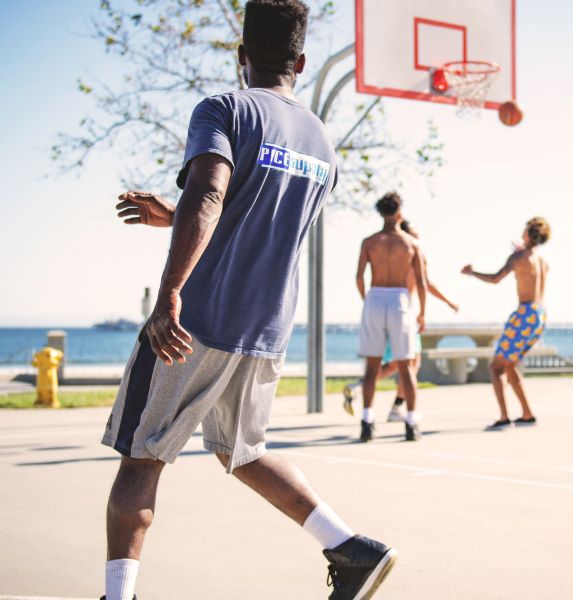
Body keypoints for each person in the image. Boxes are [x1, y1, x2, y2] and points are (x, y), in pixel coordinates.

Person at [101, 3, 396, 599]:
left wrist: (169, 294)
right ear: (303, 61)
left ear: (242, 56)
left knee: (140, 459)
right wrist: (174, 215)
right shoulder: (323, 142)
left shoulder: (224, 108)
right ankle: (350, 547)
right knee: (245, 453)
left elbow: (210, 195)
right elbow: (258, 218)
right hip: (265, 328)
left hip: (199, 318)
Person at [343, 218, 459, 421]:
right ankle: (381, 401)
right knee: (406, 365)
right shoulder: (410, 253)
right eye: (415, 233)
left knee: (401, 364)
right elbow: (426, 284)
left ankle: (378, 401)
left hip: (391, 311)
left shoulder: (392, 251)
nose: (417, 237)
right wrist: (445, 304)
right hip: (403, 315)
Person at [461, 217, 551, 430]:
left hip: (524, 313)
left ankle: (503, 417)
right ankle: (527, 414)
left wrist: (472, 272)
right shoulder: (542, 261)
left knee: (496, 368)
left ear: (528, 234)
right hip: (539, 315)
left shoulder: (518, 256)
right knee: (509, 365)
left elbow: (495, 278)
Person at [354, 192, 428, 442]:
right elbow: (421, 281)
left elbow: (358, 276)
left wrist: (368, 300)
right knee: (406, 365)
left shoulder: (369, 241)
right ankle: (411, 423)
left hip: (375, 296)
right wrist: (422, 313)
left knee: (372, 366)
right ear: (398, 213)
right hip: (399, 298)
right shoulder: (411, 244)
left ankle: (367, 421)